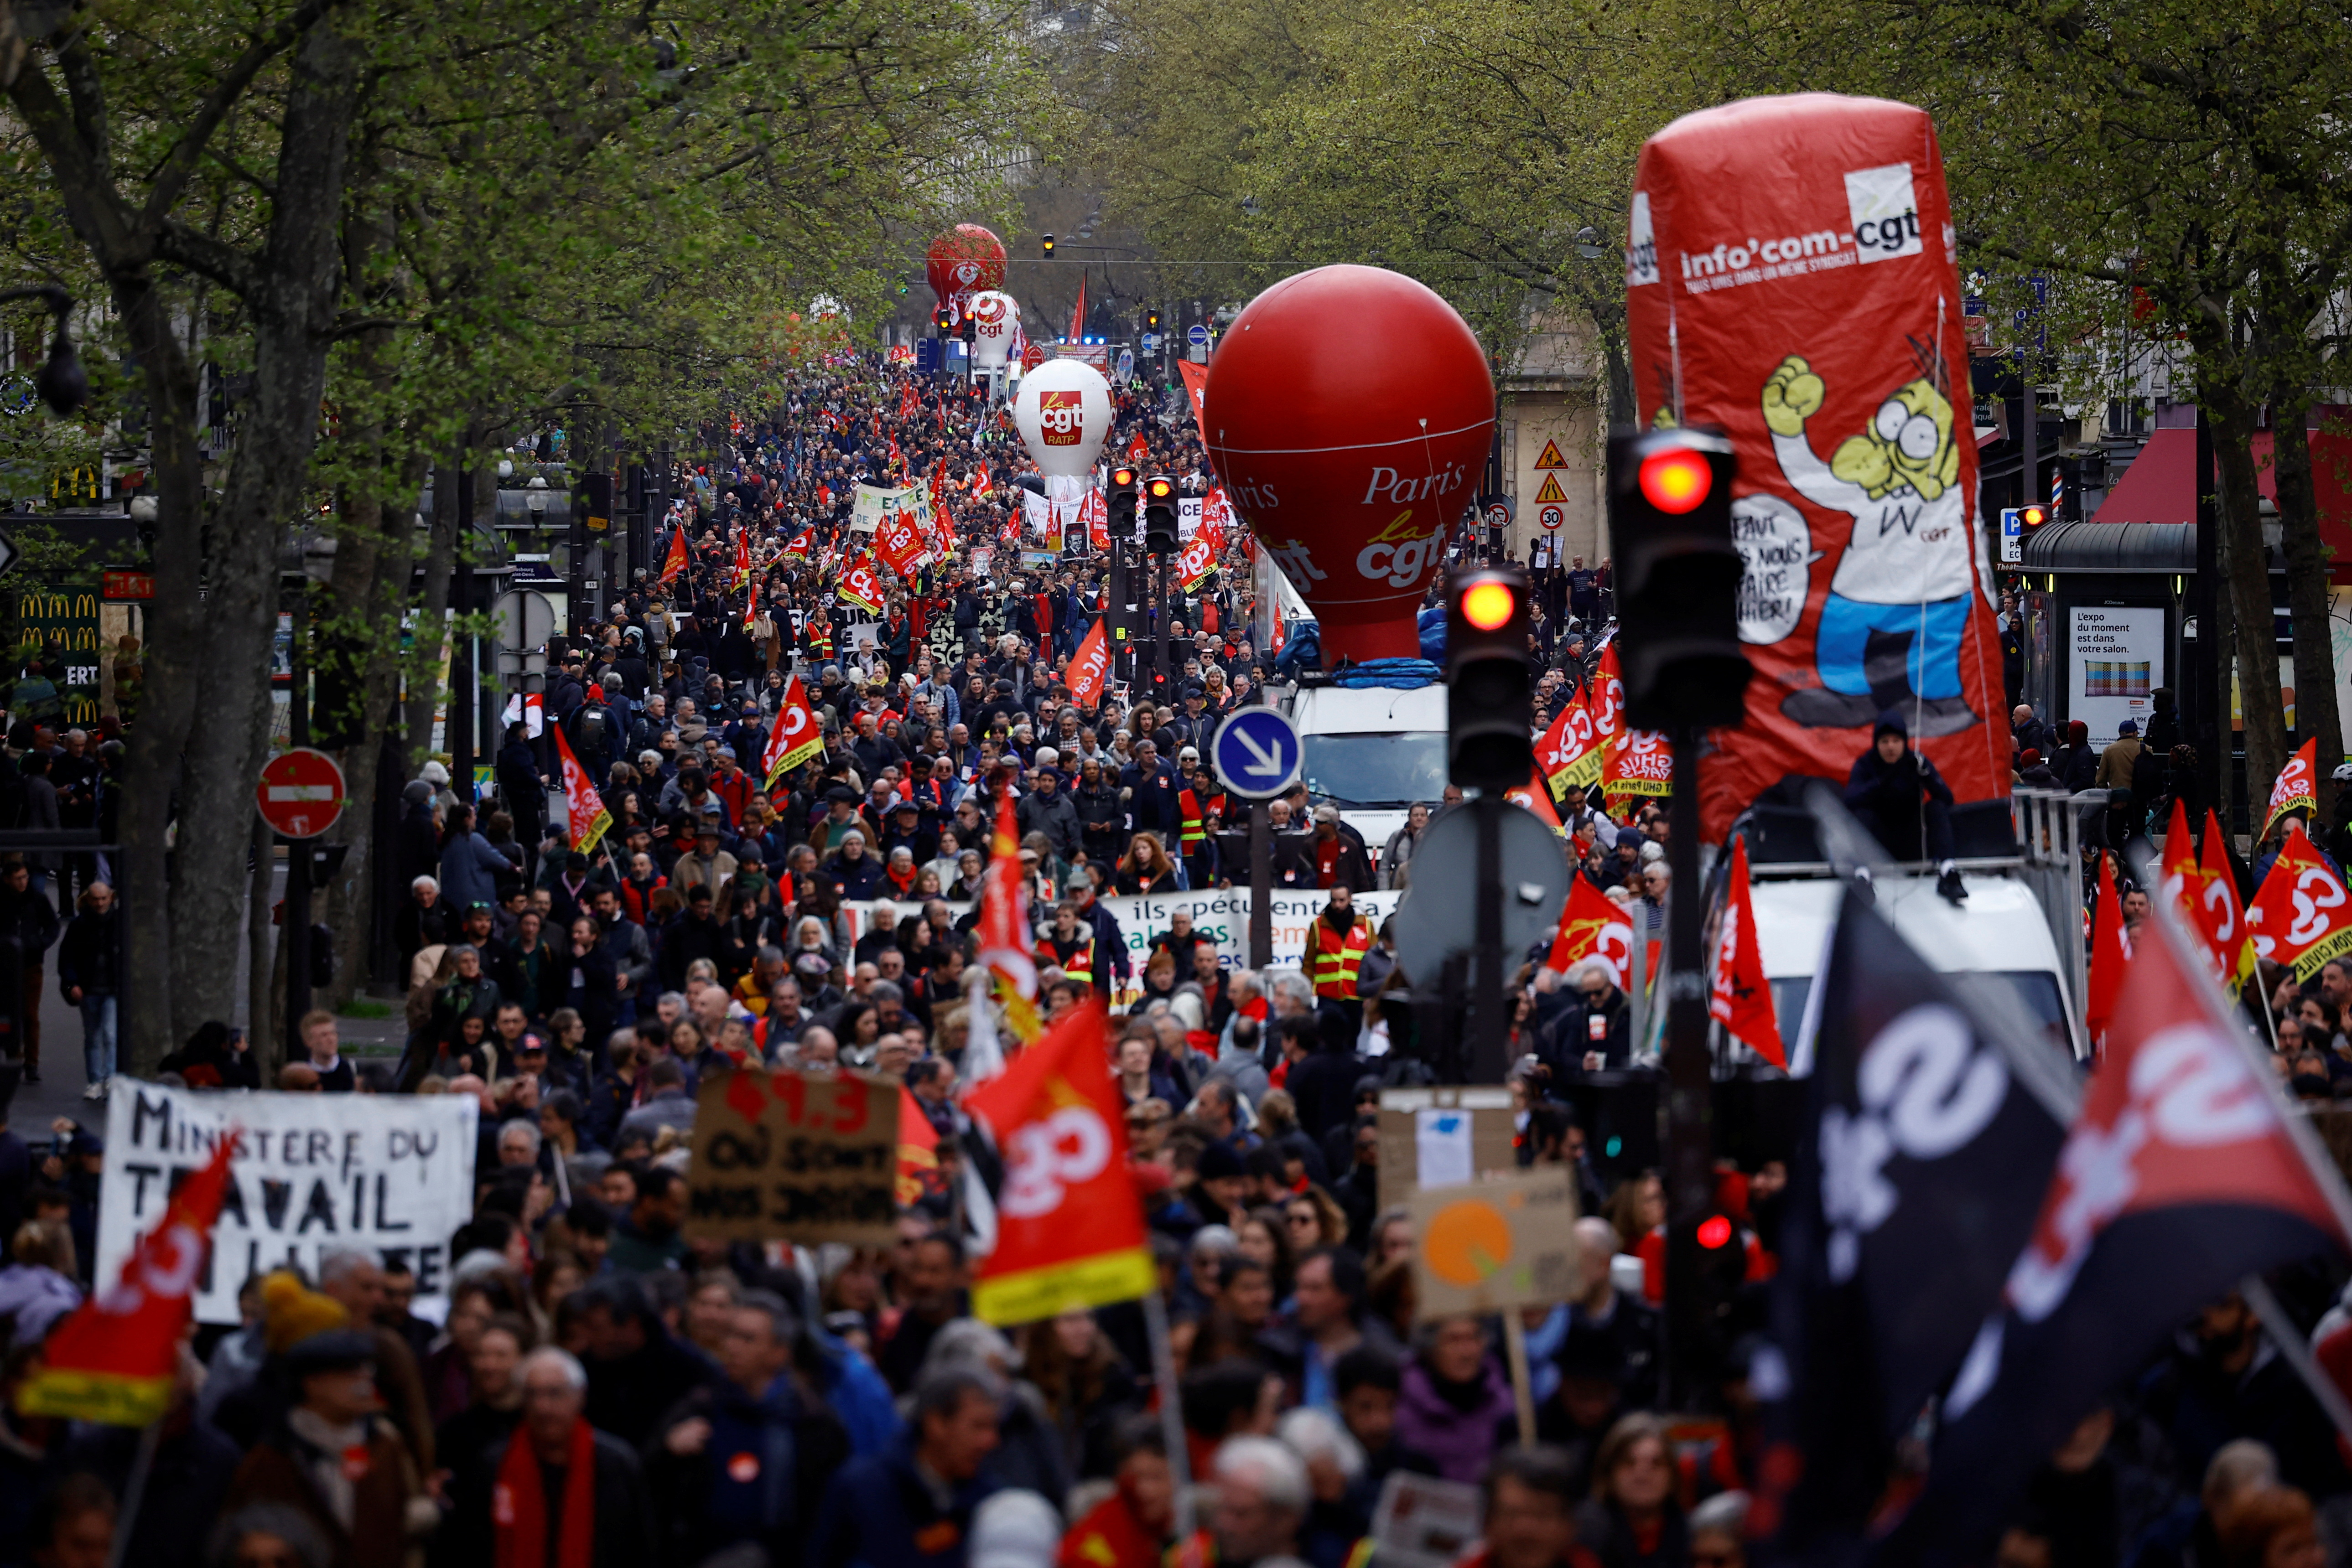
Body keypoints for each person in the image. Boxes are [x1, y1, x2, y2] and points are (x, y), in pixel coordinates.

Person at [220, 1275, 423, 1568]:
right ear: (313, 1383)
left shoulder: (385, 1448)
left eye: (366, 1372)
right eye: (350, 1374)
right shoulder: (270, 1462)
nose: (364, 1383)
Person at [644, 1290, 851, 1568]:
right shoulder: (702, 1408)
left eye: (747, 1339)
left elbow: (831, 1513)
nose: (733, 1346)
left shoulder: (813, 1423)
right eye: (730, 1335)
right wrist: (669, 1451)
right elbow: (648, 1482)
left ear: (780, 1353)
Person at [442, 1347, 657, 1568]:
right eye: (532, 1394)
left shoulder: (617, 1465)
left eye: (554, 1393)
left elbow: (640, 1549)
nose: (542, 1407)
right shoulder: (494, 1465)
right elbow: (470, 1548)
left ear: (580, 1396)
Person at [814, 1368, 1003, 1568]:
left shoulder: (990, 1503)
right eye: (978, 1426)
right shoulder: (861, 1491)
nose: (991, 1441)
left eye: (994, 1427)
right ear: (935, 1423)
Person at [1842, 710, 1963, 901]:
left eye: (1896, 741)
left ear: (1904, 742)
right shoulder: (1866, 764)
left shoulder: (1916, 762)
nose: (1891, 747)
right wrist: (1884, 780)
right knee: (1861, 812)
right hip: (1878, 847)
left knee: (1936, 807)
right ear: (1876, 743)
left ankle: (1949, 872)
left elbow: (1947, 798)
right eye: (1885, 741)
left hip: (1912, 842)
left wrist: (1928, 776)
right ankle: (1862, 878)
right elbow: (1850, 800)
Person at [56, 881, 122, 1099]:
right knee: (94, 1036)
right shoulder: (81, 925)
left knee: (108, 1035)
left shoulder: (115, 922)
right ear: (89, 900)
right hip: (90, 988)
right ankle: (96, 1081)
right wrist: (73, 982)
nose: (100, 903)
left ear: (110, 898)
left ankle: (108, 1078)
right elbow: (67, 958)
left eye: (103, 899)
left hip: (109, 987)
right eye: (96, 899)